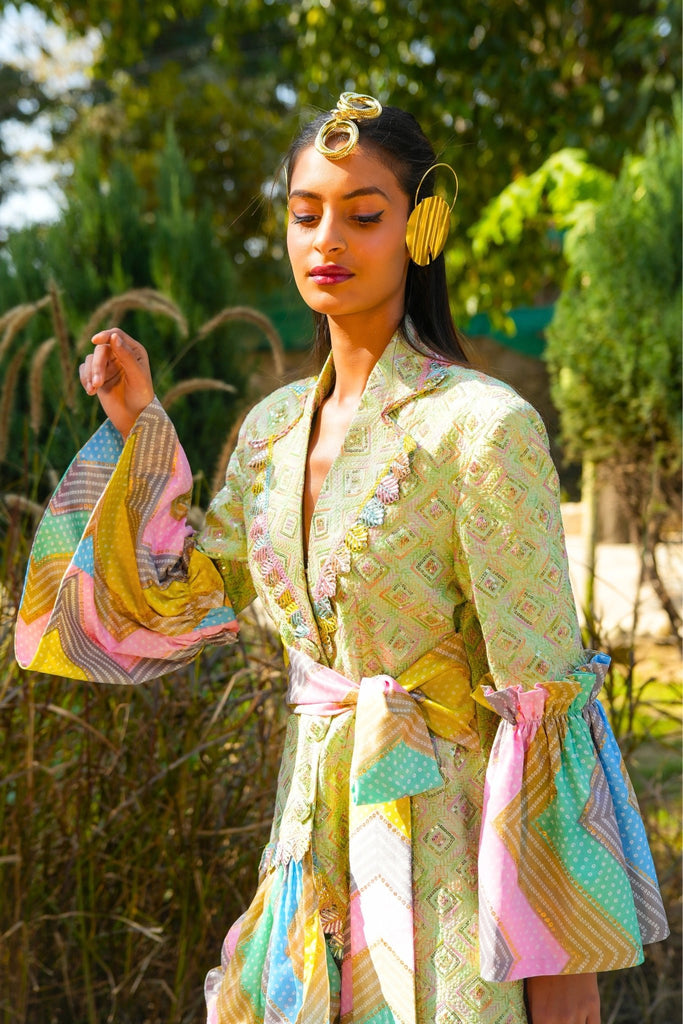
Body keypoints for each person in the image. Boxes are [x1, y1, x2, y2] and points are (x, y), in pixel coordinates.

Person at [15, 94, 668, 1024]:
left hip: (449, 875)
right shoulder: (272, 430)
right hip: (308, 851)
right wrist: (140, 430)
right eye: (303, 212)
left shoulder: (483, 428)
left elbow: (542, 726)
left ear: (420, 225)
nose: (328, 238)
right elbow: (173, 606)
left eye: (364, 214)